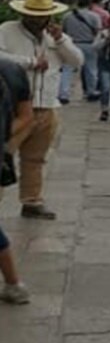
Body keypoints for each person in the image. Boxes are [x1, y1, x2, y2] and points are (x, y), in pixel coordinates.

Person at [0, 0, 83, 219]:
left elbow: (77, 61)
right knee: (3, 156)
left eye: (42, 16)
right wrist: (29, 63)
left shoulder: (54, 37)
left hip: (47, 104)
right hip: (14, 108)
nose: (37, 20)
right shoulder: (7, 30)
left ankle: (32, 201)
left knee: (35, 158)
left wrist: (61, 39)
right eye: (32, 15)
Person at [0, 56, 34, 304]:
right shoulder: (11, 68)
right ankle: (13, 284)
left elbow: (25, 115)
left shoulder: (10, 70)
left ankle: (14, 284)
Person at [60, 0, 102, 103]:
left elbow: (63, 31)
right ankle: (91, 92)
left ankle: (64, 94)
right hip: (89, 44)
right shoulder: (94, 16)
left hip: (71, 44)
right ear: (89, 4)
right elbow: (98, 32)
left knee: (67, 69)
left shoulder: (67, 16)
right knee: (91, 69)